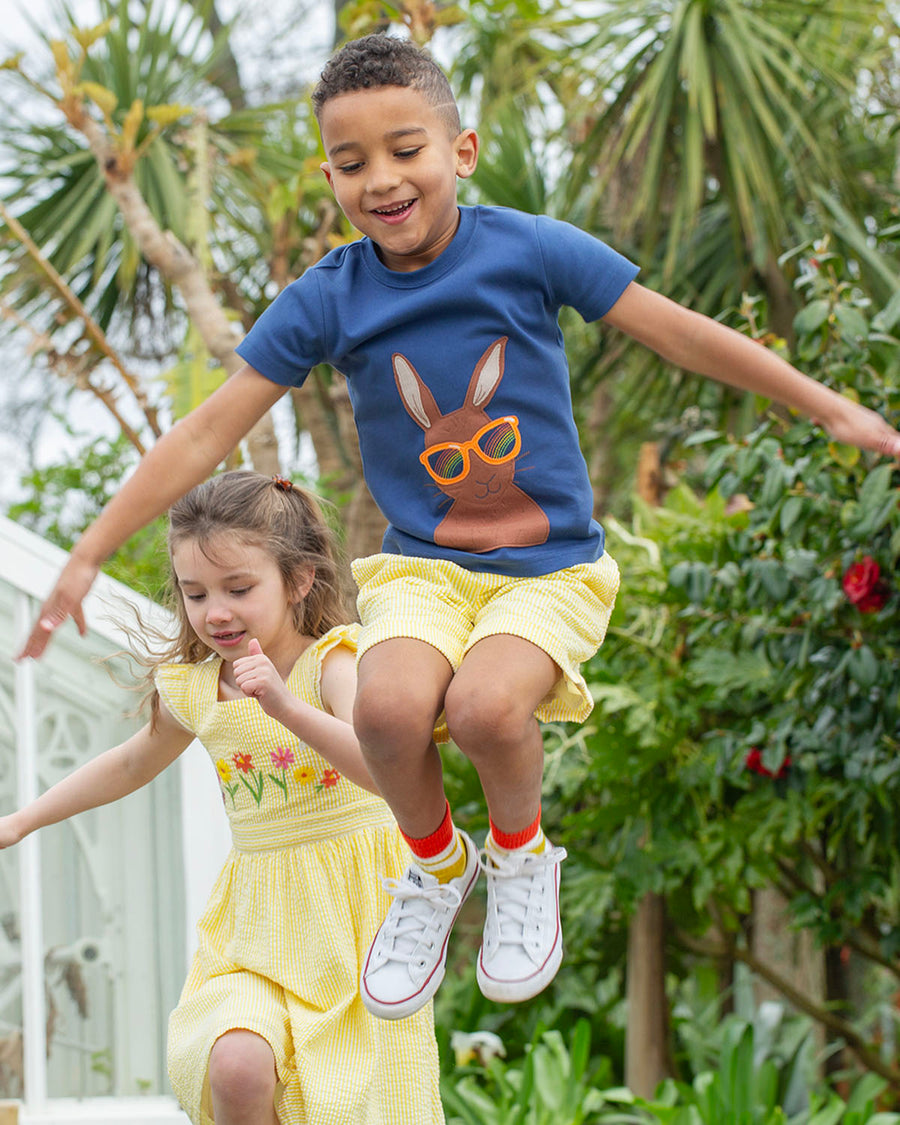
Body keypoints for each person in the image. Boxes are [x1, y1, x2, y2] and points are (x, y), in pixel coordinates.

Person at [18, 34, 900, 1024]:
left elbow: (677, 330)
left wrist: (825, 405)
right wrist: (89, 552)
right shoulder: (331, 297)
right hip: (424, 571)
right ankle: (437, 868)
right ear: (329, 175)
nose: (383, 180)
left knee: (485, 712)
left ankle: (520, 858)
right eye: (352, 164)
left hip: (549, 572)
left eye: (407, 151)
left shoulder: (528, 248)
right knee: (387, 716)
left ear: (462, 151)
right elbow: (207, 429)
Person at [4, 471, 444, 1125]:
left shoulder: (336, 661)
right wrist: (20, 820)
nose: (215, 611)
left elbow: (382, 770)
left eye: (239, 588)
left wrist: (285, 704)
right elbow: (129, 762)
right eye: (195, 592)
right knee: (235, 1065)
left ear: (298, 581)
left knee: (358, 1098)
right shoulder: (196, 686)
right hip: (256, 922)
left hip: (356, 917)